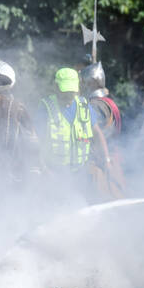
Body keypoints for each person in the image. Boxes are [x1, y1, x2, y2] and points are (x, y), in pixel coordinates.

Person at [36, 68, 112, 197]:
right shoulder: (46, 107)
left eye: (72, 92)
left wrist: (107, 160)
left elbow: (98, 134)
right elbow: (35, 142)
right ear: (56, 87)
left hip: (80, 173)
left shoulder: (84, 106)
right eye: (65, 92)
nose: (68, 96)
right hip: (54, 173)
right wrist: (44, 170)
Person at [79, 61, 125, 197]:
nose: (83, 85)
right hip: (112, 157)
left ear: (92, 82)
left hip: (100, 162)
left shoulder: (95, 105)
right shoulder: (109, 102)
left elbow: (96, 136)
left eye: (85, 81)